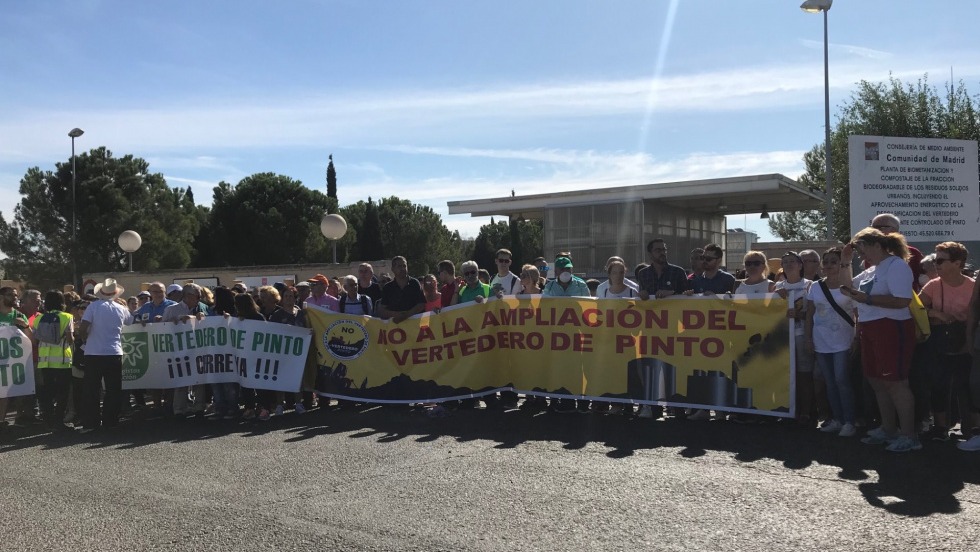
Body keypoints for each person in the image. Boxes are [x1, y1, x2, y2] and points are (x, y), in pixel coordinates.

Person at [841, 227, 919, 452]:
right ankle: (888, 429)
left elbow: (902, 301)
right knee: (877, 380)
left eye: (861, 248)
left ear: (876, 245)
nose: (860, 254)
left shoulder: (896, 266)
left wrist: (868, 299)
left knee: (896, 383)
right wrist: (846, 262)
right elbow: (845, 288)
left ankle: (909, 436)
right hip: (869, 327)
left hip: (891, 327)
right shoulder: (870, 270)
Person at [918, 242, 975, 442]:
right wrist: (937, 314)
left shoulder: (973, 286)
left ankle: (972, 431)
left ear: (957, 263)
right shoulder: (933, 285)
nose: (936, 264)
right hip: (939, 342)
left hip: (966, 342)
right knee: (938, 385)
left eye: (940, 260)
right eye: (935, 260)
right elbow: (917, 308)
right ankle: (940, 428)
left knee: (968, 386)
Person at [805, 247, 858, 437]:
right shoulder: (815, 286)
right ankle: (837, 418)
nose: (828, 265)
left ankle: (849, 421)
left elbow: (857, 313)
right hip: (821, 341)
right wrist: (808, 338)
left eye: (833, 261)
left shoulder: (848, 285)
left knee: (841, 380)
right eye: (825, 261)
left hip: (843, 340)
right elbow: (810, 313)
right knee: (829, 381)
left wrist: (856, 338)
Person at [77, 278, 133, 433]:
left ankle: (91, 423)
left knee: (92, 389)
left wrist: (84, 337)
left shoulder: (93, 307)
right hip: (114, 352)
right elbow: (131, 321)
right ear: (115, 293)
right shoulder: (121, 308)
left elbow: (84, 327)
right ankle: (111, 420)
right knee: (113, 389)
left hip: (94, 352)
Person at [775, 251, 815, 426]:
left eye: (793, 261)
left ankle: (806, 411)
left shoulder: (810, 286)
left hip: (801, 335)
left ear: (800, 265)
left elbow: (816, 313)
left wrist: (799, 314)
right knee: (784, 375)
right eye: (785, 262)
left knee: (804, 375)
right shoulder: (775, 287)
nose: (789, 264)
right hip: (782, 337)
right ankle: (788, 409)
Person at [162, 283, 210, 418]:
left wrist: (201, 318)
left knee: (199, 380)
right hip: (179, 350)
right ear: (188, 296)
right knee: (181, 380)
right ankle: (179, 409)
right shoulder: (171, 309)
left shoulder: (202, 308)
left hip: (198, 349)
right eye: (197, 296)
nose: (199, 298)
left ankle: (199, 407)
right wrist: (176, 320)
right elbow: (161, 329)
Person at [32, 290, 74, 432]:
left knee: (48, 392)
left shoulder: (39, 318)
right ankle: (59, 422)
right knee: (63, 393)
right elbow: (70, 339)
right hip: (62, 361)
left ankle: (48, 420)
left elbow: (35, 340)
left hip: (45, 361)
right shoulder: (67, 317)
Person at [0, 287, 33, 430]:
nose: (15, 297)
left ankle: (3, 422)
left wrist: (25, 326)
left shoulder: (19, 315)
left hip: (13, 362)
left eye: (16, 295)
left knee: (8, 392)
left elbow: (32, 340)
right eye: (11, 295)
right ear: (1, 297)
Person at [377, 256, 426, 323]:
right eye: (399, 266)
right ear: (393, 269)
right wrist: (396, 315)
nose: (403, 268)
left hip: (414, 325)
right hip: (395, 326)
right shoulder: (387, 287)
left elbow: (421, 304)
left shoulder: (414, 283)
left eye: (404, 266)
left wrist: (406, 315)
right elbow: (382, 310)